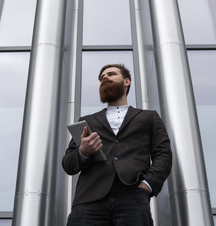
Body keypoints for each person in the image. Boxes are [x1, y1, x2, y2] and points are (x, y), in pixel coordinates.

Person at [62, 63, 172, 225]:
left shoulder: (149, 117)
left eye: (111, 74)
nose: (104, 78)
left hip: (133, 196)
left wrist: (147, 185)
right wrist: (82, 152)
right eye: (101, 78)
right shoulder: (87, 121)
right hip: (88, 200)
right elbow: (68, 165)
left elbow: (163, 154)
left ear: (127, 81)